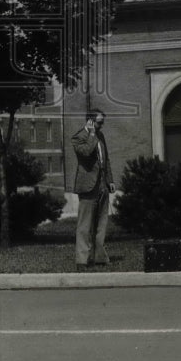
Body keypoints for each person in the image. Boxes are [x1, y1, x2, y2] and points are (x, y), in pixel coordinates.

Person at [72, 109, 115, 270]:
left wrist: (110, 180)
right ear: (90, 122)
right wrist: (90, 134)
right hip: (88, 186)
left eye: (102, 122)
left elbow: (106, 159)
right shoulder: (78, 137)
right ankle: (82, 260)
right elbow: (86, 152)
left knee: (101, 223)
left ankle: (99, 257)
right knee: (85, 225)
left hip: (102, 185)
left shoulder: (101, 135)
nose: (101, 126)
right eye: (99, 122)